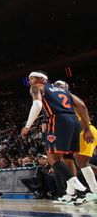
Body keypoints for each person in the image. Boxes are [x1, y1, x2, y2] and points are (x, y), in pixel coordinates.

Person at [21, 71, 88, 205]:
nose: (30, 81)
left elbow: (38, 105)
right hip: (74, 121)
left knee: (52, 158)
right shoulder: (64, 90)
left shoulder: (37, 87)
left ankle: (78, 186)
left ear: (41, 79)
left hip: (57, 120)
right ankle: (74, 194)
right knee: (68, 158)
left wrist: (27, 126)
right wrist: (86, 127)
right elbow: (82, 106)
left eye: (31, 78)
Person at [54, 80, 97, 202]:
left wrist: (87, 128)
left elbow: (83, 109)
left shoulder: (69, 97)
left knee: (81, 162)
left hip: (85, 130)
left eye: (61, 86)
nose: (58, 88)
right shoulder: (61, 102)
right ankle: (73, 192)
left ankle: (95, 191)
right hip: (78, 132)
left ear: (66, 88)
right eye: (56, 87)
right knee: (75, 162)